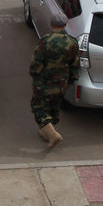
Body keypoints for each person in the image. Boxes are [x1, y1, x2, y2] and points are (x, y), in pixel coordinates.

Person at [29, 13, 79, 148]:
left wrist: (34, 76)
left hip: (44, 82)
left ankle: (52, 135)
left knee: (38, 108)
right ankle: (47, 132)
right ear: (65, 25)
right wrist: (71, 81)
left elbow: (36, 63)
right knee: (54, 106)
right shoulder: (72, 42)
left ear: (51, 25)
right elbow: (75, 65)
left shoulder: (45, 41)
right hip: (62, 82)